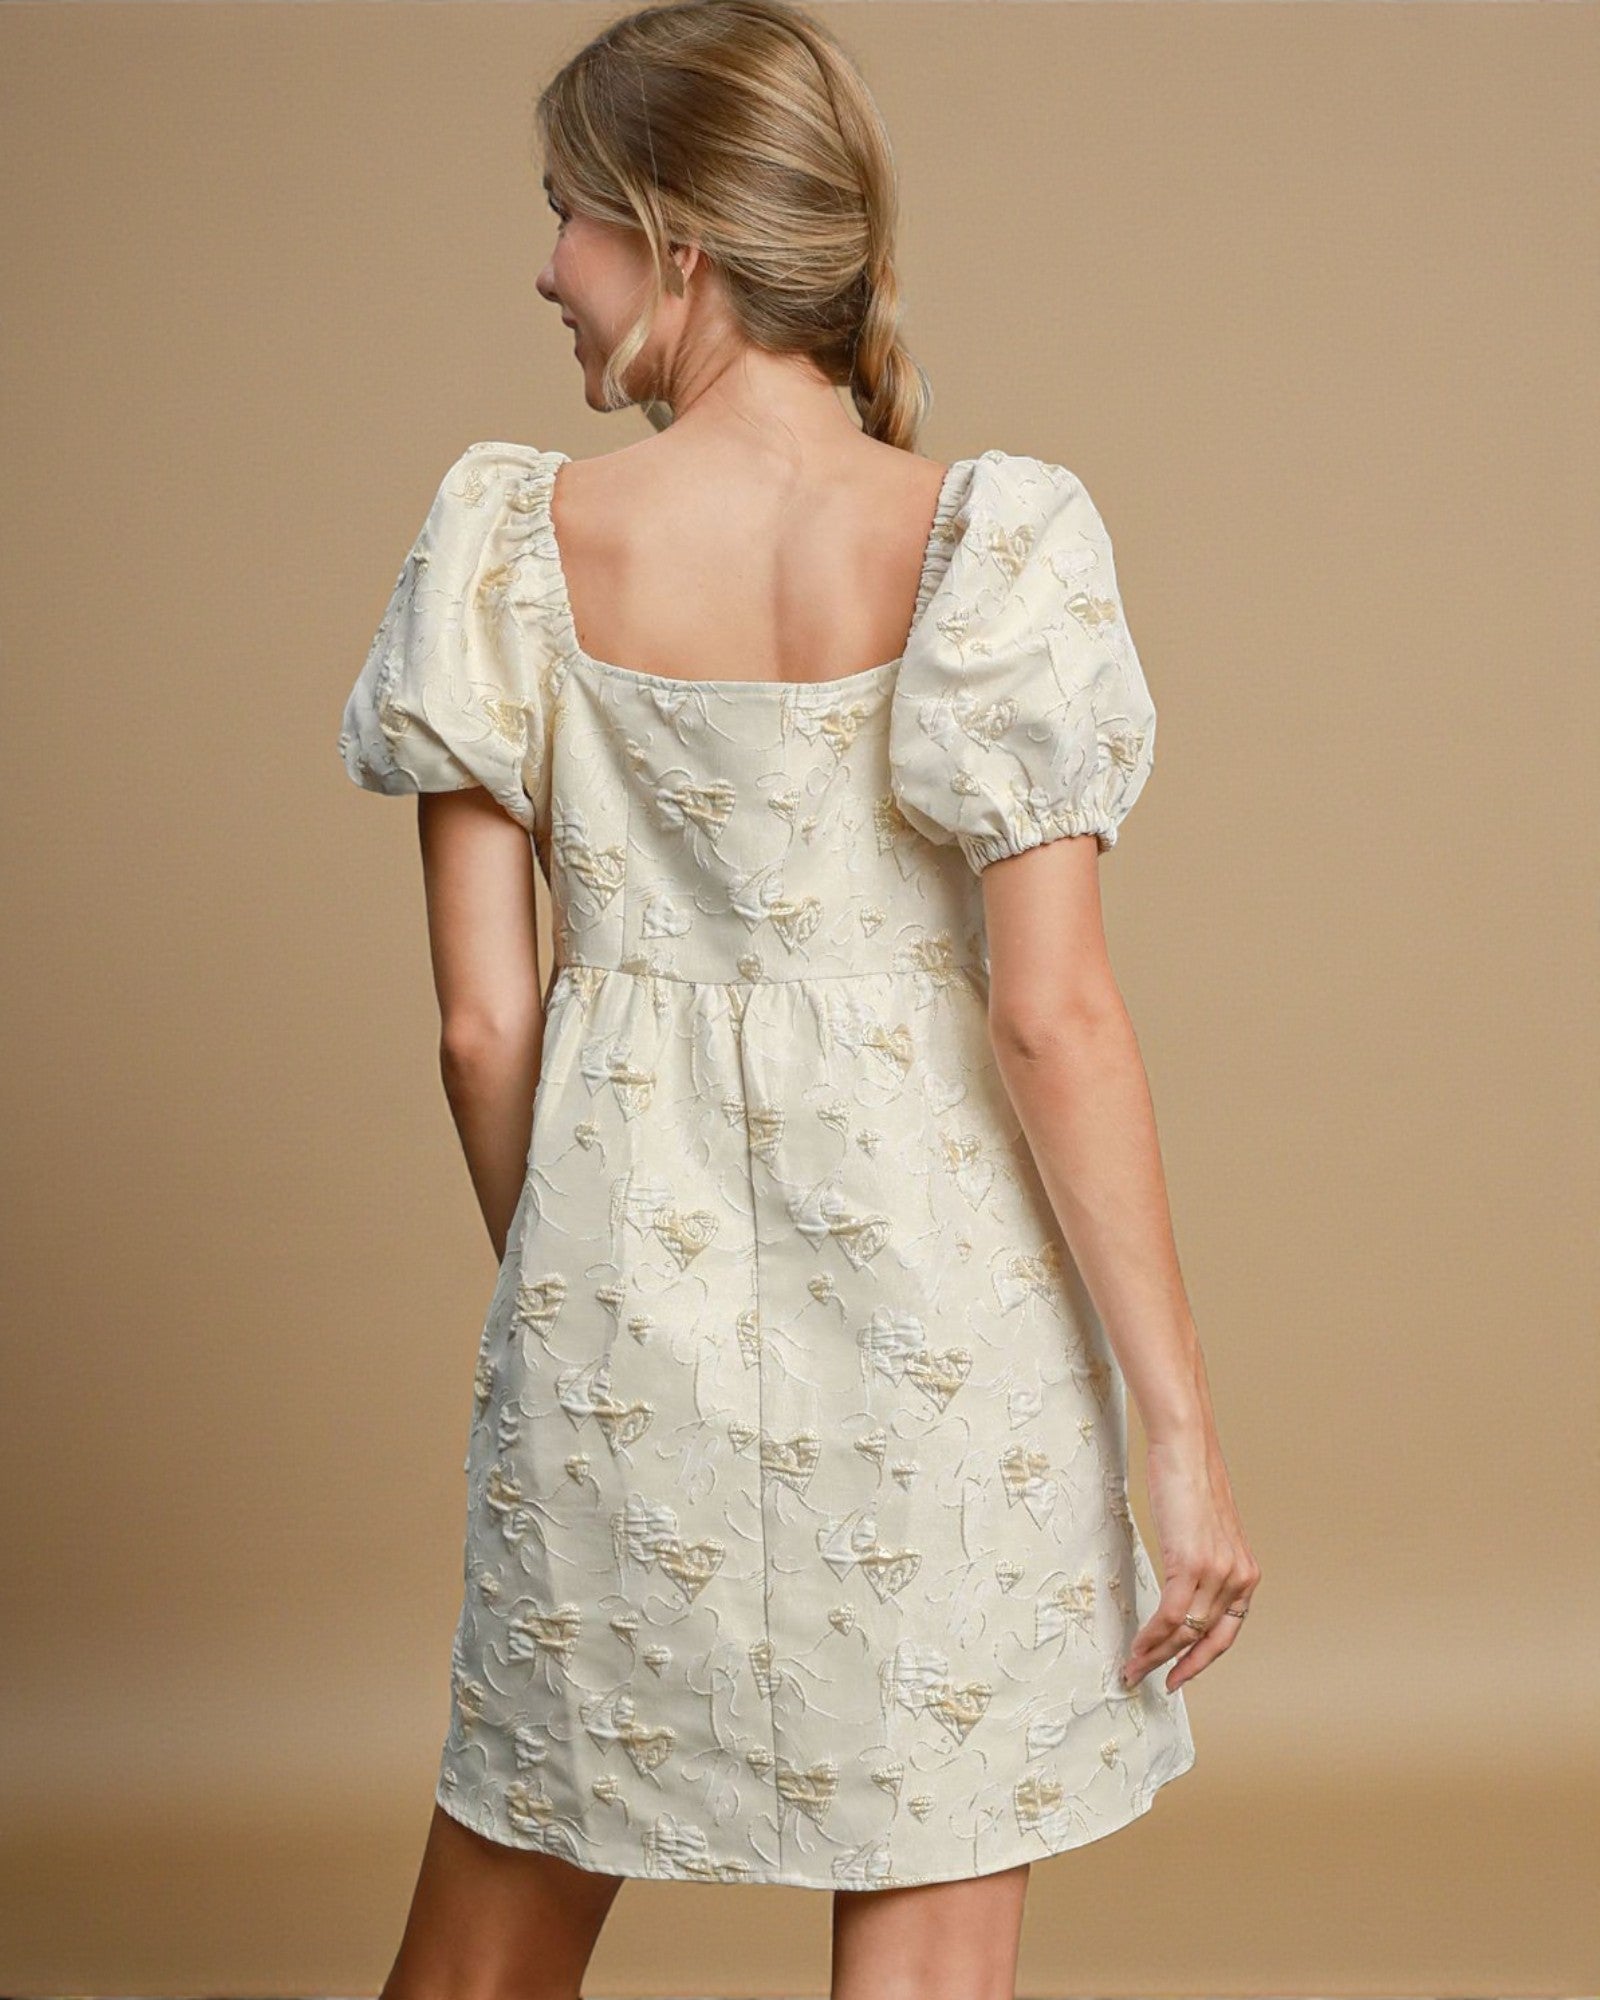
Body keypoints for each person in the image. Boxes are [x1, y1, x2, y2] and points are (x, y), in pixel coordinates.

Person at [337, 2, 1260, 1994]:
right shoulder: (988, 542)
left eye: (570, 216)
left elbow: (483, 1029)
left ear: (679, 247)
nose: (541, 266)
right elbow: (1052, 1020)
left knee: (499, 1908)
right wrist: (1175, 1434)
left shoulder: (505, 545)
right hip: (946, 1330)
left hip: (615, 1319)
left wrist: (582, 1299)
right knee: (929, 1899)